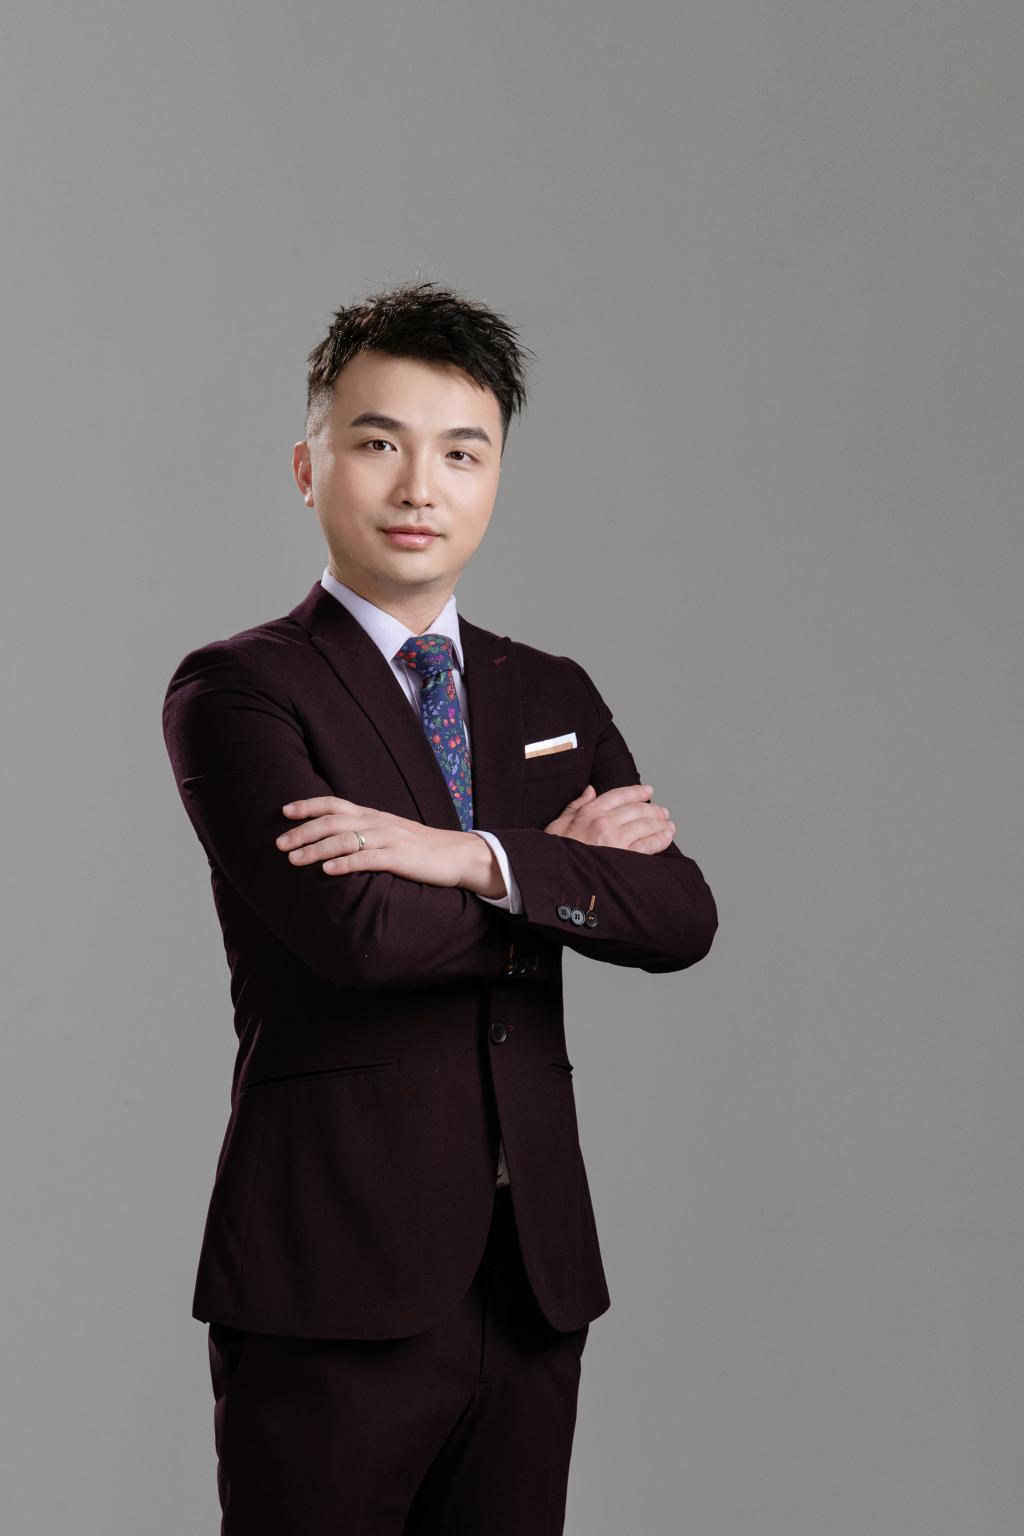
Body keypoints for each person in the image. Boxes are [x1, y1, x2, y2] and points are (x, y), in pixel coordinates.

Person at [161, 278, 718, 1534]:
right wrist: (552, 871)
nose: (421, 487)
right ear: (308, 468)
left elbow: (678, 916)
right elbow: (360, 936)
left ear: (496, 477)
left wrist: (464, 857)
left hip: (531, 1280)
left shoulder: (548, 690)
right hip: (332, 1271)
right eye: (380, 445)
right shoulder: (240, 691)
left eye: (462, 453)